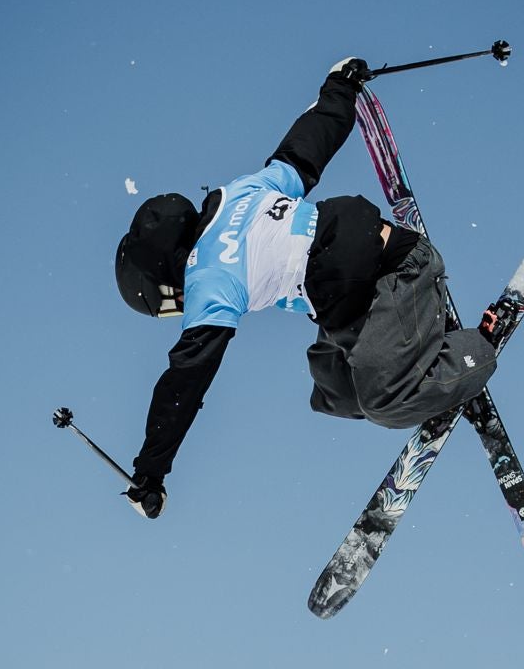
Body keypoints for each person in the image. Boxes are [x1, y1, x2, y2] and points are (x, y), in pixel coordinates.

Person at [114, 57, 498, 517]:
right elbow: (308, 143)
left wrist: (152, 469)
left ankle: (473, 349)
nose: (181, 309)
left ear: (164, 277)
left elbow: (186, 377)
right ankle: (412, 366)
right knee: (331, 391)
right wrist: (340, 85)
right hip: (349, 303)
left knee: (379, 401)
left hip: (398, 272)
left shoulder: (206, 276)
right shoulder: (240, 192)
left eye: (169, 305)